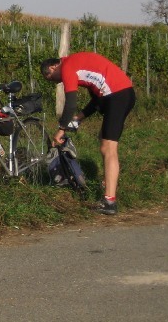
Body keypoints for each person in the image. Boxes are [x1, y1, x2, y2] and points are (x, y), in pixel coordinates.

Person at [40, 53, 136, 215]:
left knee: (109, 147)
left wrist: (61, 129)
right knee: (104, 140)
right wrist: (79, 118)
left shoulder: (67, 67)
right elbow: (97, 100)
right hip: (119, 93)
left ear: (52, 67)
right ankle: (108, 183)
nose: (54, 81)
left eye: (49, 77)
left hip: (117, 94)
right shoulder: (76, 64)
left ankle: (109, 202)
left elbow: (70, 104)